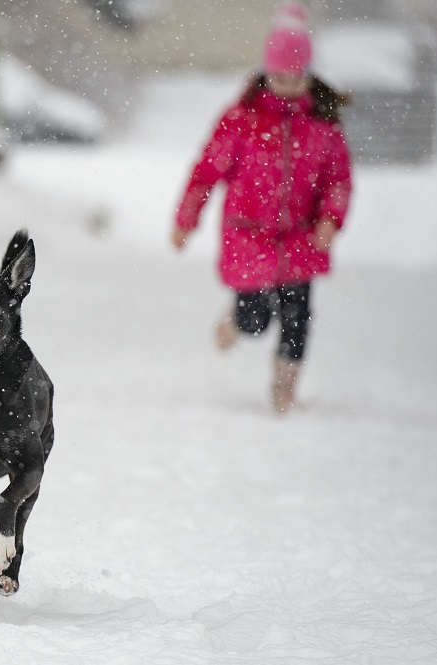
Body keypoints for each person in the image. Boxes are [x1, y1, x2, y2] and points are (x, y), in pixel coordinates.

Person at [171, 2, 352, 413]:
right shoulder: (241, 119)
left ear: (309, 76)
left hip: (302, 236)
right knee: (256, 320)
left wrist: (329, 219)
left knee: (298, 316)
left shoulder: (323, 126)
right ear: (265, 75)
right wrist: (187, 220)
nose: (287, 85)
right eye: (279, 76)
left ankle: (284, 387)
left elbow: (338, 180)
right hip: (248, 235)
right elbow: (206, 171)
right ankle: (237, 321)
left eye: (295, 77)